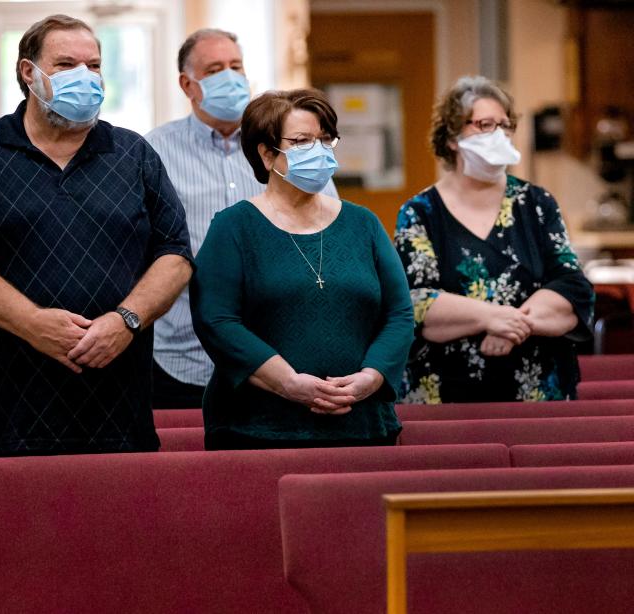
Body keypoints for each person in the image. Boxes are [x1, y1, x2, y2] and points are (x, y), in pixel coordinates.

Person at [0, 15, 193, 457]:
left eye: (94, 65)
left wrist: (126, 320)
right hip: (8, 407)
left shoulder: (133, 153)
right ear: (30, 73)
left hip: (118, 406)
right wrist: (29, 322)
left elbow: (176, 253)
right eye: (66, 65)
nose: (84, 77)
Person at [190, 89, 414, 450]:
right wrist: (288, 382)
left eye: (326, 140)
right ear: (266, 154)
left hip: (361, 422)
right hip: (259, 428)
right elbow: (216, 321)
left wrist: (371, 378)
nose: (320, 151)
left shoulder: (363, 224)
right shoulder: (233, 227)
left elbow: (399, 313)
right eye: (302, 141)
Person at [146, 28, 339, 409]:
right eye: (215, 69)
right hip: (184, 358)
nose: (231, 77)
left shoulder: (292, 151)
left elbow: (327, 232)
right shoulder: (155, 151)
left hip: (285, 356)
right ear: (188, 83)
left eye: (236, 66)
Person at [395, 76, 594, 403]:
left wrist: (516, 328)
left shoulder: (537, 204)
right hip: (445, 397)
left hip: (536, 392)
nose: (498, 134)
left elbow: (573, 290)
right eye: (485, 124)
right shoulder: (421, 212)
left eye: (505, 124)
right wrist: (493, 317)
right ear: (453, 137)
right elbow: (418, 303)